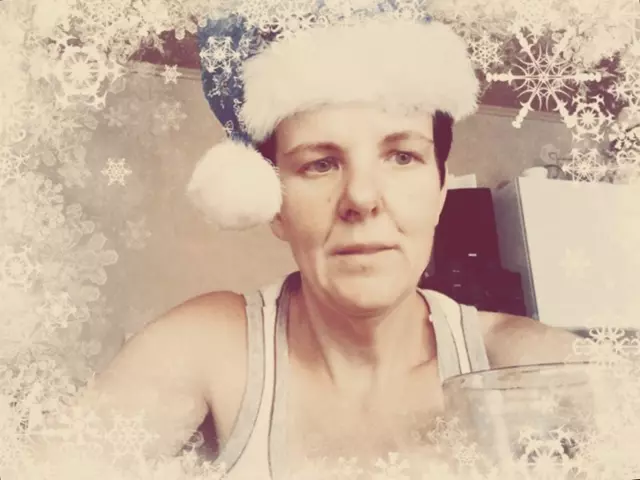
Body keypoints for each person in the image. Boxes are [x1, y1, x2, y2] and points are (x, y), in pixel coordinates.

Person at [40, 12, 582, 480]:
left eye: (402, 157)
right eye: (319, 164)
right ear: (273, 205)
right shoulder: (205, 345)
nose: (361, 198)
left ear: (441, 192)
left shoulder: (533, 365)